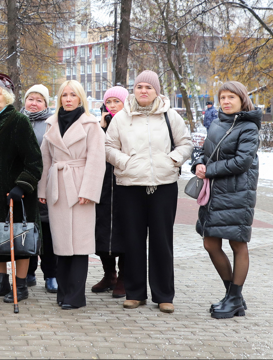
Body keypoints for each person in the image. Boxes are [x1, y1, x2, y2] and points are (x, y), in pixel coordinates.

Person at [105, 70, 192, 313]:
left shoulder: (170, 115)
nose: (144, 90)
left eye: (149, 87)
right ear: (134, 90)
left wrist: (172, 160)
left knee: (161, 241)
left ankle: (164, 295)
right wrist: (124, 163)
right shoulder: (122, 117)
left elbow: (185, 143)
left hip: (163, 186)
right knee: (133, 240)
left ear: (157, 91)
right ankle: (135, 293)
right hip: (130, 186)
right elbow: (108, 146)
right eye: (139, 86)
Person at [193, 82, 261, 319]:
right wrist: (198, 163)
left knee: (237, 244)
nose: (226, 101)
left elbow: (242, 163)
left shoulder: (249, 127)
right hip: (215, 194)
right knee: (210, 244)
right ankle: (233, 296)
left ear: (242, 99)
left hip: (238, 194)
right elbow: (204, 150)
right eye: (222, 97)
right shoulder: (217, 122)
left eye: (231, 97)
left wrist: (209, 169)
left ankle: (234, 298)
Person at [38, 80, 105, 310]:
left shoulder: (90, 125)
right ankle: (63, 293)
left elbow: (97, 161)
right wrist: (41, 190)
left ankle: (76, 297)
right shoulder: (51, 124)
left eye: (72, 95)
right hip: (57, 185)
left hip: (79, 186)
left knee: (79, 244)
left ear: (80, 98)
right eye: (64, 95)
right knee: (61, 243)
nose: (68, 99)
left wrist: (89, 191)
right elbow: (45, 159)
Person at [0, 74, 42, 303]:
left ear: (7, 96)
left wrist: (21, 186)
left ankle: (21, 286)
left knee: (19, 239)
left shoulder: (18, 121)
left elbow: (34, 160)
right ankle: (0, 282)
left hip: (16, 193)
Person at [92, 85, 129, 298]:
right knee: (101, 231)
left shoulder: (131, 123)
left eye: (117, 101)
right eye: (109, 102)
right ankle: (109, 274)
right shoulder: (99, 125)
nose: (113, 106)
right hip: (103, 184)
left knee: (124, 231)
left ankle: (124, 277)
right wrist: (103, 128)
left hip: (124, 183)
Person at [21, 84, 57, 293]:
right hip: (23, 186)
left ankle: (51, 274)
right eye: (30, 99)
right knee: (26, 229)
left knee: (47, 231)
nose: (33, 103)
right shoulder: (17, 120)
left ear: (46, 103)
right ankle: (29, 272)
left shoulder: (52, 124)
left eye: (39, 100)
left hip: (46, 185)